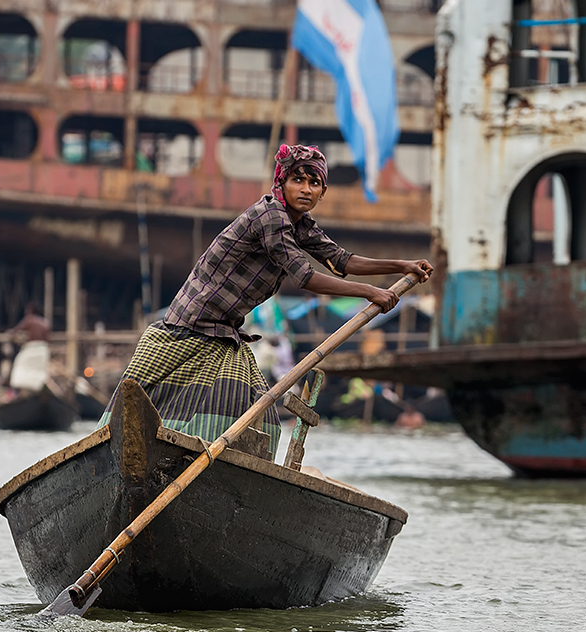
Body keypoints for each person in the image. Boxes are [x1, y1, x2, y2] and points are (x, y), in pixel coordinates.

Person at [99, 143, 433, 459]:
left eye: (314, 183)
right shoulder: (271, 217)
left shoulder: (300, 224)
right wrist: (370, 292)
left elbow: (341, 260)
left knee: (255, 410)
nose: (305, 188)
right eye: (297, 180)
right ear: (281, 183)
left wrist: (401, 266)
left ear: (322, 191)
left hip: (223, 334)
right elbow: (304, 277)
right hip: (186, 329)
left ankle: (212, 466)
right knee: (139, 411)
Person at [7, 302, 51, 392]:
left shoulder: (29, 320)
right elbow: (48, 339)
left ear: (31, 311)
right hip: (43, 349)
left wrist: (10, 333)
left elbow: (16, 330)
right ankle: (38, 390)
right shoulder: (45, 322)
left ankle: (24, 390)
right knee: (40, 370)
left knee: (20, 365)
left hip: (32, 348)